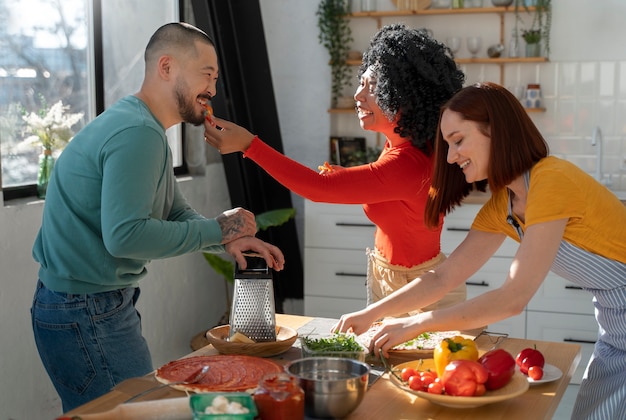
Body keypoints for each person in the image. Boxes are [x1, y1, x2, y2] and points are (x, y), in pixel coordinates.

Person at [30, 22, 285, 412]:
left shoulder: (143, 126)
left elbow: (174, 210)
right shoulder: (138, 133)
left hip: (81, 306)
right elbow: (126, 236)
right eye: (207, 74)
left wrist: (227, 237)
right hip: (87, 311)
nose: (213, 90)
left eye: (215, 78)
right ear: (166, 67)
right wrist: (219, 227)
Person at [332, 82, 626, 419]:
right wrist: (372, 314)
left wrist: (418, 324)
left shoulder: (551, 181)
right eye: (446, 145)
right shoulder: (505, 203)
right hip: (614, 328)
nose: (450, 156)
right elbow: (441, 278)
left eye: (458, 141)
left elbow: (513, 298)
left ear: (497, 132)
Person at [203, 24, 466, 314]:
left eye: (372, 87)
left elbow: (320, 189)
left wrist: (249, 145)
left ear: (404, 95)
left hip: (421, 293)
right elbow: (388, 187)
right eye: (361, 82)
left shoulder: (408, 163)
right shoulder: (401, 146)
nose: (358, 95)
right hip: (390, 279)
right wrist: (349, 177)